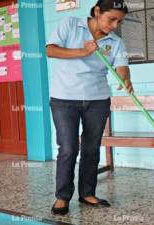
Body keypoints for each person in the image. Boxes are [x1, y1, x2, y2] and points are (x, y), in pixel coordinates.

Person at [46, 0, 132, 215]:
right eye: (111, 19)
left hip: (98, 99)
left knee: (91, 148)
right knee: (68, 148)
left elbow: (122, 67)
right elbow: (51, 51)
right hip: (64, 98)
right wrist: (82, 52)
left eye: (119, 22)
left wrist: (125, 80)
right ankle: (62, 197)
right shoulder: (70, 24)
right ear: (96, 11)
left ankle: (86, 193)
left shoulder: (116, 41)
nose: (114, 25)